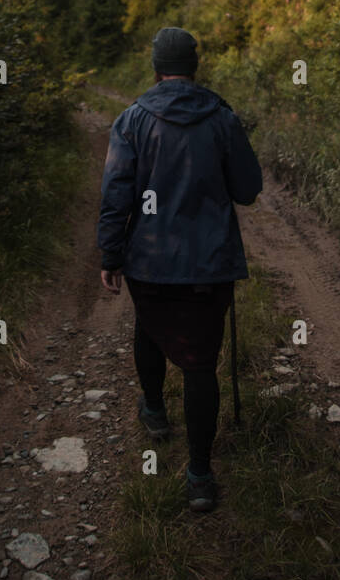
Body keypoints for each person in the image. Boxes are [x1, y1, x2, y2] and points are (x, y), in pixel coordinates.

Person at [97, 26, 263, 512]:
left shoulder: (131, 121)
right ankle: (199, 476)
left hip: (148, 261)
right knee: (199, 364)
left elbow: (115, 196)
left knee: (149, 326)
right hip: (209, 266)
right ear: (195, 67)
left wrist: (111, 255)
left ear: (155, 67)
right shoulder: (221, 118)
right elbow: (248, 189)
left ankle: (153, 410)